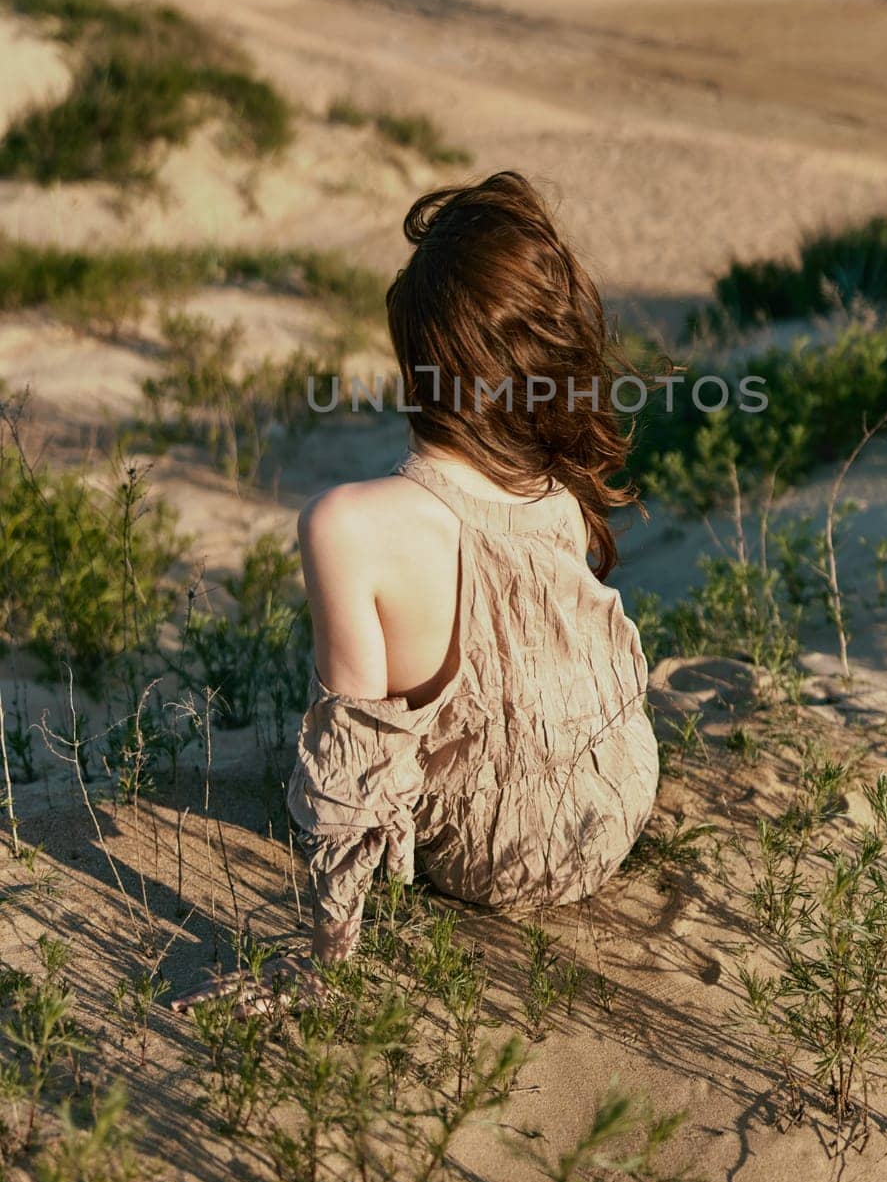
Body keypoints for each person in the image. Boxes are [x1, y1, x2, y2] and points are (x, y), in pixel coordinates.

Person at [175, 170, 657, 1006]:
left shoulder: (351, 526)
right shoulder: (557, 481)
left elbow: (349, 771)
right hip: (617, 803)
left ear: (418, 356)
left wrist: (326, 956)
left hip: (494, 856)